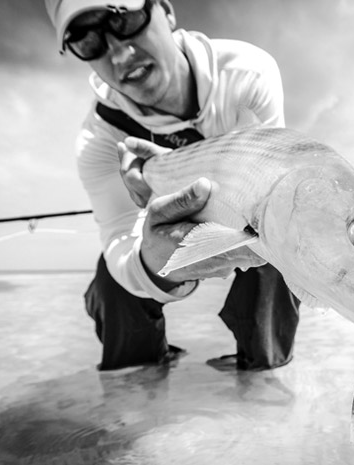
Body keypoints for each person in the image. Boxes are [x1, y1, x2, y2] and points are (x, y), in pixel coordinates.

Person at [44, 0, 300, 371]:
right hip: (157, 228)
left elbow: (270, 185)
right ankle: (140, 382)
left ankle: (261, 373)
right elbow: (119, 237)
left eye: (125, 20)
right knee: (114, 279)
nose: (119, 53)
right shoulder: (98, 138)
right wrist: (156, 260)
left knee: (275, 243)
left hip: (245, 217)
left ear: (165, 9)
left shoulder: (248, 74)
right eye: (86, 41)